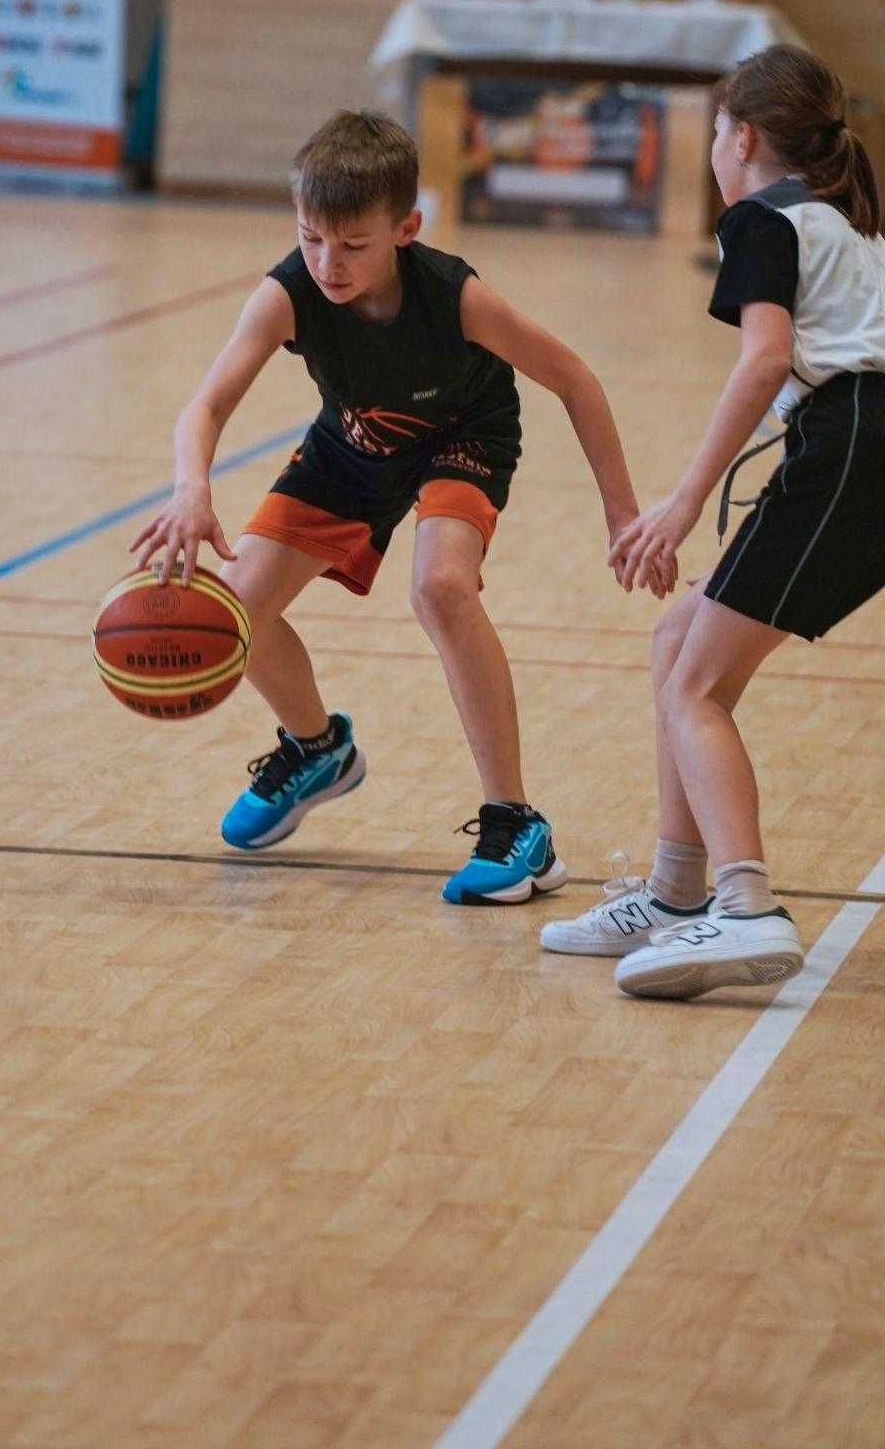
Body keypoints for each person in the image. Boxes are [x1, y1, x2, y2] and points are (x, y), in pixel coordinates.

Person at [129, 109, 661, 903]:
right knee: (236, 607)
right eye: (311, 238)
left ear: (406, 228)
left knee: (441, 588)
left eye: (353, 245)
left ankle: (516, 824)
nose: (328, 262)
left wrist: (621, 514)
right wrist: (189, 487)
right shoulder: (286, 295)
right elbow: (203, 407)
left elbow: (575, 380)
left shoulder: (456, 297)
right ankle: (318, 750)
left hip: (463, 434)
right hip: (356, 439)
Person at [543, 44, 885, 997]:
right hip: (855, 446)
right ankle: (675, 893)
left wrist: (684, 501)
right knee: (678, 641)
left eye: (718, 130)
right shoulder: (848, 225)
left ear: (740, 137)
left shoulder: (761, 219)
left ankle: (746, 905)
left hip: (853, 447)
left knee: (696, 686)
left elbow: (767, 358)